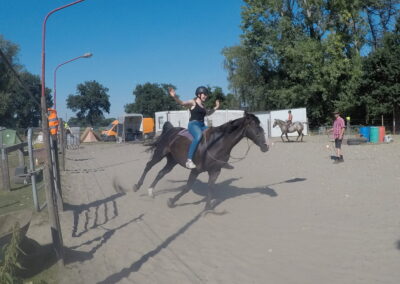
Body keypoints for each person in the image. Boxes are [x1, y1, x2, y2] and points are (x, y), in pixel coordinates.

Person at [169, 86, 232, 169]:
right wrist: (174, 97)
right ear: (199, 94)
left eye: (206, 95)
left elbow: (208, 113)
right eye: (204, 94)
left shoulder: (203, 105)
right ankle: (189, 160)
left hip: (202, 125)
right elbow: (182, 103)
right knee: (198, 136)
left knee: (214, 134)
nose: (205, 96)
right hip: (193, 125)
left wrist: (216, 107)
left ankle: (220, 160)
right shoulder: (193, 102)